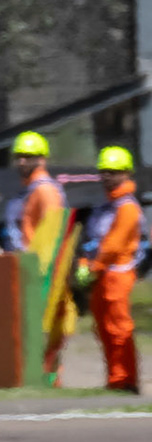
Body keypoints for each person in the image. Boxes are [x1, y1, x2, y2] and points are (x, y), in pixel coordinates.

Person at [4, 131, 78, 383]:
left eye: (29, 156)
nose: (22, 161)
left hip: (42, 273)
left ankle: (48, 382)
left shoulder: (45, 192)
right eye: (19, 156)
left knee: (45, 332)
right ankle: (41, 379)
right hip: (30, 270)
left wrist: (43, 275)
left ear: (42, 159)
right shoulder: (30, 191)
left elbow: (53, 236)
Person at [77, 146, 146, 393]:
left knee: (119, 329)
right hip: (100, 275)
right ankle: (114, 378)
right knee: (104, 329)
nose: (107, 176)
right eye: (104, 171)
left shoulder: (127, 207)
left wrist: (93, 267)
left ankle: (126, 379)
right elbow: (90, 240)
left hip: (118, 273)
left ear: (126, 173)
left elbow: (113, 244)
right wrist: (85, 262)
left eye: (114, 172)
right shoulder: (102, 208)